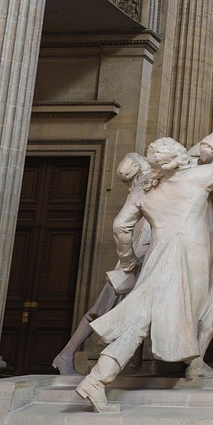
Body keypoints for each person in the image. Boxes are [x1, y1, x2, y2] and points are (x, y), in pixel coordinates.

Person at [75, 133, 213, 412]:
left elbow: (121, 227)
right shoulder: (195, 177)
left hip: (158, 258)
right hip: (185, 264)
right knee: (140, 321)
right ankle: (97, 380)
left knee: (139, 321)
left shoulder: (142, 189)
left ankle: (97, 379)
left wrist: (129, 261)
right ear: (178, 160)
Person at [52, 152, 154, 375]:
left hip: (141, 259)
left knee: (130, 313)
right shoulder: (143, 188)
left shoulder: (141, 188)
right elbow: (126, 229)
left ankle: (131, 367)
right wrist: (129, 262)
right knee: (101, 311)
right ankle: (65, 356)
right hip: (134, 263)